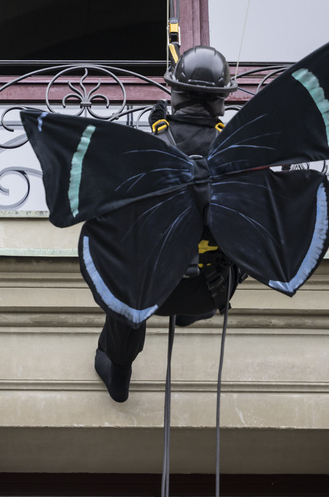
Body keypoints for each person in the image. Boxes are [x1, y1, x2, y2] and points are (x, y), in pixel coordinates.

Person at [94, 45, 242, 402]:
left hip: (155, 292)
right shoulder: (236, 155)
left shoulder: (148, 147)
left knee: (127, 269)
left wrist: (158, 135)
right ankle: (192, 312)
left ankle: (118, 369)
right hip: (211, 292)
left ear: (175, 94)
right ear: (221, 101)